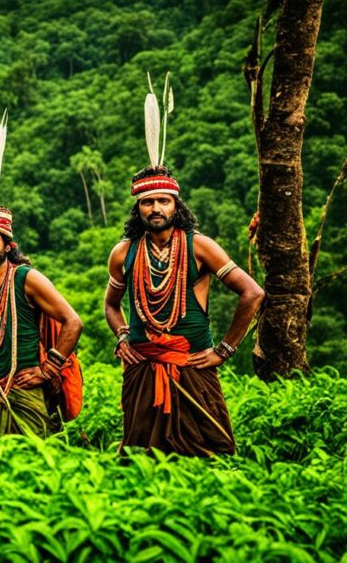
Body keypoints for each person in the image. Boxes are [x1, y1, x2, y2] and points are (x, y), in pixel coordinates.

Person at [103, 74, 264, 456]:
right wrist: (123, 335)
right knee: (141, 454)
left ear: (176, 205)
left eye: (163, 201)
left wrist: (224, 350)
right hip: (142, 366)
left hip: (193, 363)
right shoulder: (123, 253)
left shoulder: (200, 248)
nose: (155, 208)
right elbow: (111, 305)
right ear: (138, 208)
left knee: (211, 451)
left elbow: (253, 293)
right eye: (147, 202)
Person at [0, 112, 84, 437]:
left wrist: (47, 369)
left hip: (27, 392)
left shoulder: (27, 279)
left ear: (7, 244)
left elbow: (73, 322)